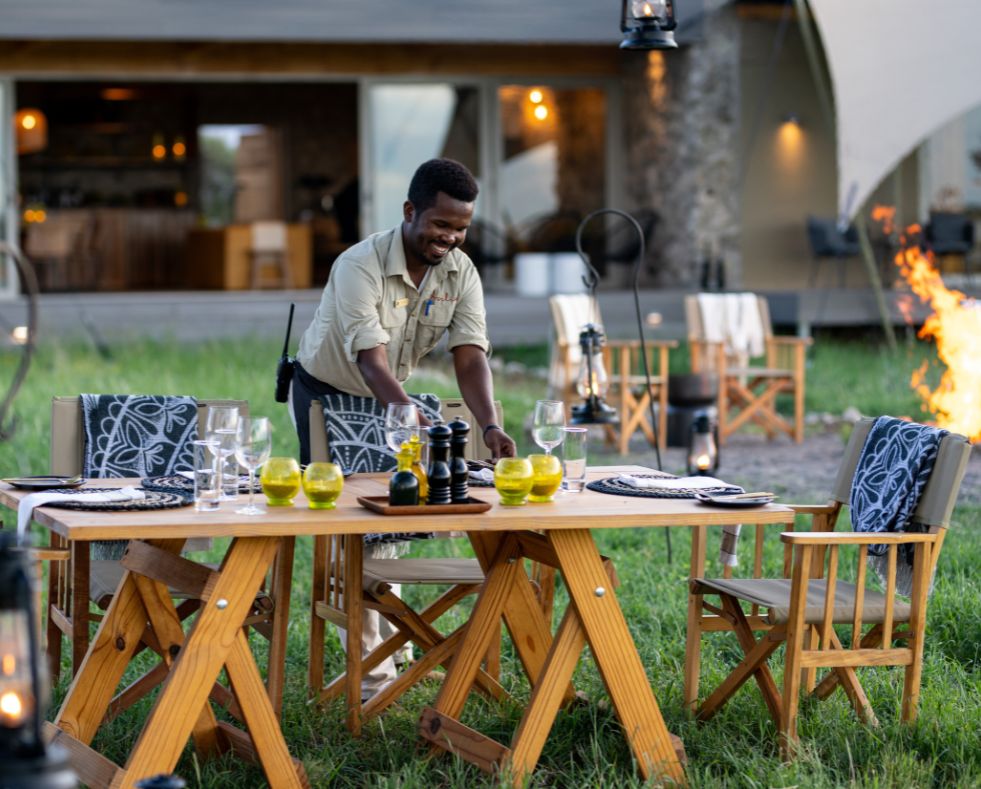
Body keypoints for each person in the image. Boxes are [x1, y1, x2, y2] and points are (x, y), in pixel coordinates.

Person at [288, 157, 517, 699]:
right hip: (328, 393)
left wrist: (488, 425)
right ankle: (372, 677)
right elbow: (371, 360)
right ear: (410, 211)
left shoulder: (461, 271)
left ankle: (394, 647)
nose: (451, 238)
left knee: (391, 523)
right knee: (355, 526)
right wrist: (405, 412)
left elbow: (469, 356)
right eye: (441, 225)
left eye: (461, 228)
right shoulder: (357, 264)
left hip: (392, 395)